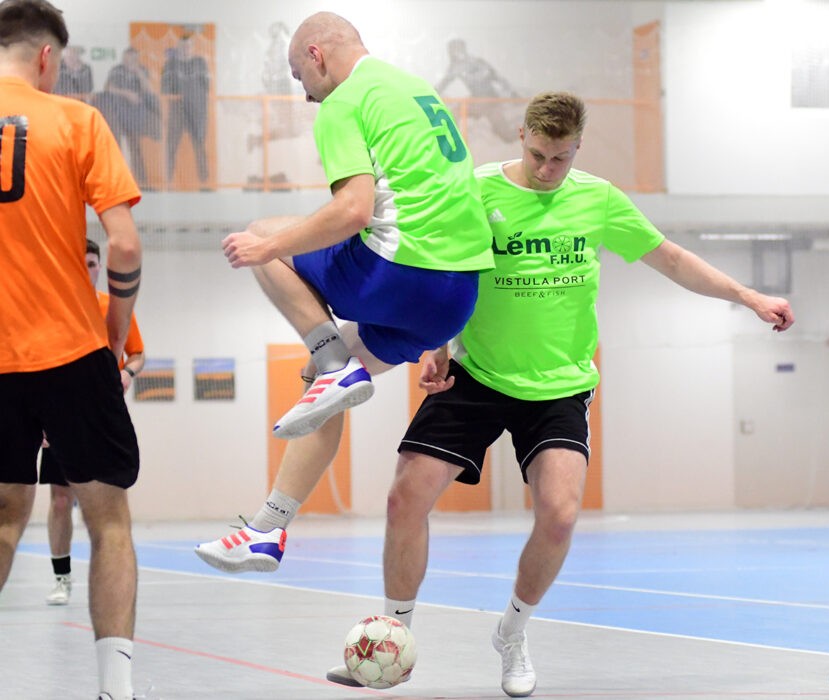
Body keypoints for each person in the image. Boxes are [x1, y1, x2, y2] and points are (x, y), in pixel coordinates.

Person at [324, 91, 796, 696]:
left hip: (560, 385)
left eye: (562, 159)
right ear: (522, 136)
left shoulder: (598, 200)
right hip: (477, 374)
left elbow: (672, 260)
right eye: (540, 155)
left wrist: (750, 297)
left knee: (560, 515)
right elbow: (445, 269)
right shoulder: (478, 191)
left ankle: (512, 633)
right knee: (404, 499)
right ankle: (395, 638)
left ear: (578, 149)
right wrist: (438, 343)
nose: (548, 170)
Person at [194, 12, 493, 572]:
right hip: (455, 297)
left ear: (316, 55)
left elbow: (353, 211)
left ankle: (334, 362)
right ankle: (266, 529)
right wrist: (442, 339)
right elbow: (446, 200)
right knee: (321, 387)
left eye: (298, 77)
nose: (305, 95)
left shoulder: (344, 101)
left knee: (263, 233)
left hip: (399, 272)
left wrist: (267, 247)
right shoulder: (417, 90)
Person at [0, 2, 144, 699]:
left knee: (4, 514)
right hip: (70, 347)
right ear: (47, 57)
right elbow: (124, 244)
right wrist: (116, 329)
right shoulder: (77, 121)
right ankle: (115, 688)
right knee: (107, 517)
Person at [40, 239, 145, 607]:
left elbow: (137, 353)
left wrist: (128, 373)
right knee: (59, 501)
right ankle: (61, 578)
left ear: (100, 267)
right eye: (80, 263)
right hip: (59, 415)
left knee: (105, 504)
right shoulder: (52, 308)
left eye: (91, 263)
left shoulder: (111, 308)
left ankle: (112, 583)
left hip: (101, 418)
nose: (86, 269)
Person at [95, 47, 160, 186]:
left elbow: (149, 90)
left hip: (133, 116)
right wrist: (127, 94)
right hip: (117, 114)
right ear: (124, 58)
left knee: (135, 146)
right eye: (128, 57)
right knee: (116, 146)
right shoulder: (117, 70)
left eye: (133, 58)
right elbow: (108, 88)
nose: (130, 60)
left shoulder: (142, 70)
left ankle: (142, 181)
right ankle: (115, 180)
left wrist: (140, 75)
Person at [434, 38, 519, 142]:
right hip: (478, 100)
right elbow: (444, 82)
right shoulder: (456, 66)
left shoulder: (476, 62)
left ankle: (526, 130)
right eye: (452, 51)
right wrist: (432, 92)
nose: (454, 54)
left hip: (489, 100)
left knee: (506, 135)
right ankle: (452, 139)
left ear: (462, 50)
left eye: (456, 50)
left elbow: (497, 77)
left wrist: (512, 93)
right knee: (455, 112)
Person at [162, 35, 210, 188]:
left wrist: (194, 98)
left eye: (188, 46)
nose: (185, 49)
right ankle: (168, 182)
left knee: (199, 145)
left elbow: (206, 86)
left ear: (192, 47)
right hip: (177, 111)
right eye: (182, 46)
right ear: (178, 47)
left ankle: (205, 184)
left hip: (197, 111)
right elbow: (164, 88)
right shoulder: (170, 64)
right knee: (171, 146)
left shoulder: (200, 62)